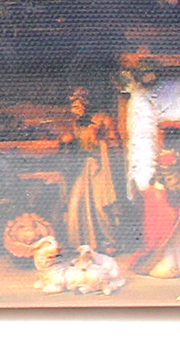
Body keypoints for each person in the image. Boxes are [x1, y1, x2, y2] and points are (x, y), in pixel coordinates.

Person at [122, 149, 180, 279]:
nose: (175, 179)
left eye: (176, 176)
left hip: (176, 236)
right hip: (161, 239)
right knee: (167, 268)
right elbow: (164, 217)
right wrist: (176, 213)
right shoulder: (154, 193)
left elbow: (178, 200)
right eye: (171, 177)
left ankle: (178, 260)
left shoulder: (177, 189)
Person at [64, 98, 120, 254]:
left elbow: (114, 143)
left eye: (77, 106)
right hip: (84, 166)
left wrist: (99, 142)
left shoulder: (103, 118)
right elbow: (78, 146)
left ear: (86, 104)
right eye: (73, 107)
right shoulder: (77, 123)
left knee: (100, 205)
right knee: (77, 202)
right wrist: (68, 142)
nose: (74, 110)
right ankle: (83, 242)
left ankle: (110, 241)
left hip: (101, 167)